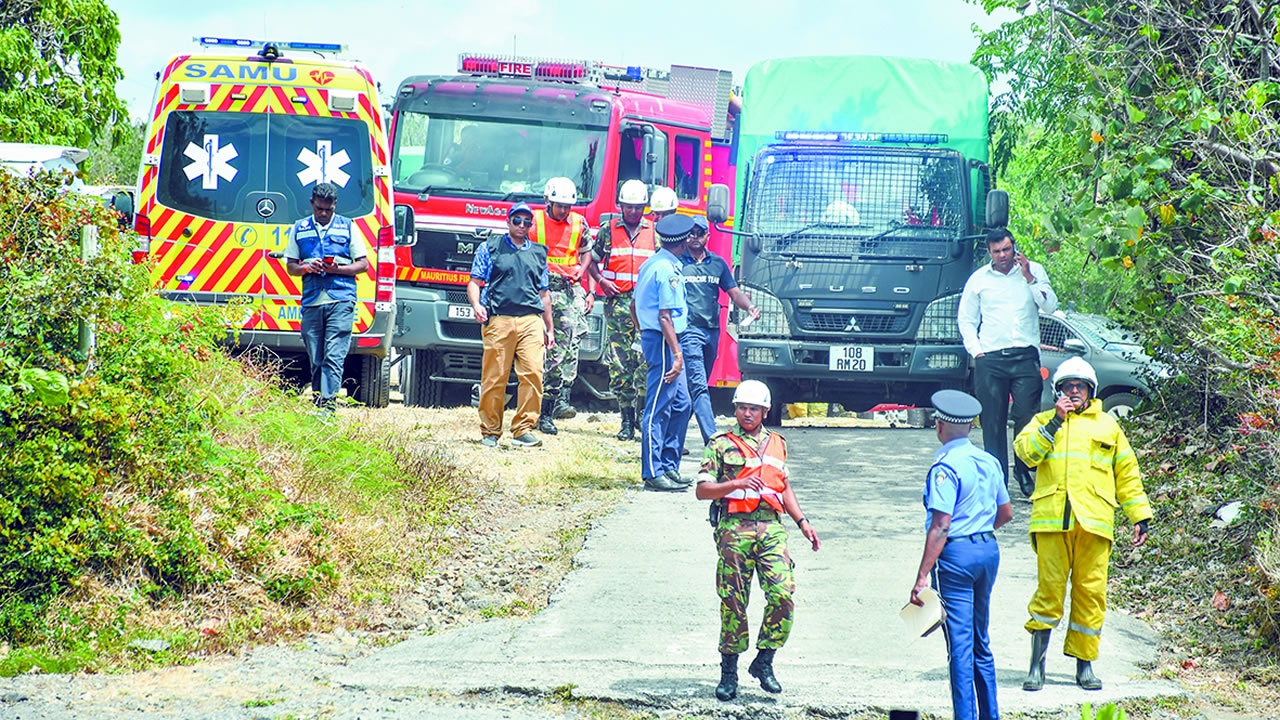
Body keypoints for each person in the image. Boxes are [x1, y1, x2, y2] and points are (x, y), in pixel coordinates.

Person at [1013, 357, 1152, 691]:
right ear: (1057, 391)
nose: (1073, 391)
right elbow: (1024, 454)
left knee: (1091, 594)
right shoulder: (1043, 421)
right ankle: (1036, 667)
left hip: (1094, 524)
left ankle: (1084, 666)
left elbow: (1127, 474)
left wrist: (1140, 515)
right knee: (1049, 593)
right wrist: (1054, 425)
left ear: (1091, 390)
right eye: (1067, 387)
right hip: (1051, 523)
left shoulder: (1108, 426)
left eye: (1080, 386)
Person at [696, 379, 820, 701]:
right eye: (741, 407)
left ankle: (764, 661)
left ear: (765, 411)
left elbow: (784, 486)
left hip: (771, 527)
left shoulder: (777, 443)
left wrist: (802, 521)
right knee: (734, 601)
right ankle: (728, 671)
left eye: (753, 408)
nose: (747, 413)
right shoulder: (720, 443)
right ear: (735, 408)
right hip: (734, 528)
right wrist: (735, 483)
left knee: (783, 595)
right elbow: (702, 490)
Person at [909, 390, 1013, 720]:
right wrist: (980, 531)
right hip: (987, 550)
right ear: (971, 427)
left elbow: (941, 525)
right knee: (981, 639)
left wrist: (922, 575)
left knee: (960, 645)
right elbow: (1006, 513)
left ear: (939, 427)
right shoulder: (989, 460)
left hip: (956, 556)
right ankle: (989, 715)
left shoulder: (944, 466)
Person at [957, 228, 1058, 491]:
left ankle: (1023, 471)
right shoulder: (979, 279)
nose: (1002, 255)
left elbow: (1050, 306)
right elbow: (966, 319)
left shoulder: (1034, 271)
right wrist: (976, 351)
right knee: (992, 422)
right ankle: (997, 480)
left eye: (1006, 249)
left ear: (1014, 247)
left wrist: (1029, 278)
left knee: (1026, 417)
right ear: (989, 253)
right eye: (996, 251)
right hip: (991, 358)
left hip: (1025, 357)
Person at [467, 203, 556, 448]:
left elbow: (544, 293)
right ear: (508, 221)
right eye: (517, 220)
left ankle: (524, 429)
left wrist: (550, 329)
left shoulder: (539, 253)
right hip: (499, 318)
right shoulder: (491, 247)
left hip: (531, 320)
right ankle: (490, 431)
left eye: (527, 222)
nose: (522, 226)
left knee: (534, 374)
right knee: (495, 377)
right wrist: (476, 305)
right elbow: (475, 281)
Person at [284, 182, 369, 414]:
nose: (323, 214)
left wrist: (337, 270)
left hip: (341, 298)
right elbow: (291, 267)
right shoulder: (299, 229)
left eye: (328, 210)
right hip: (312, 300)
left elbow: (363, 264)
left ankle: (328, 406)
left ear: (335, 206)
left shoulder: (348, 227)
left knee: (334, 353)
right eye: (319, 209)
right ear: (311, 204)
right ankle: (319, 400)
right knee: (317, 356)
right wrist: (307, 267)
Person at [680, 215, 760, 446]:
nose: (695, 238)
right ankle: (713, 440)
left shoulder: (718, 263)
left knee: (694, 388)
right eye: (691, 233)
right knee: (699, 387)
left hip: (711, 332)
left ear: (708, 236)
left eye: (700, 233)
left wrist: (750, 307)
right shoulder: (678, 262)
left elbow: (734, 292)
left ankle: (674, 440)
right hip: (688, 332)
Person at [584, 179, 653, 441]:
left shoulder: (654, 232)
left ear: (644, 207)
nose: (633, 212)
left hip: (647, 309)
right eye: (629, 207)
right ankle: (625, 420)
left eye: (638, 207)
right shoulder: (607, 231)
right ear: (621, 206)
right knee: (620, 364)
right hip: (618, 306)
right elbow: (591, 260)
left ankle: (643, 418)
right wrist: (601, 281)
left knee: (646, 362)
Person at [631, 213, 694, 491]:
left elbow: (634, 305)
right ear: (682, 243)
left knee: (681, 405)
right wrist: (677, 355)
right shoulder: (667, 271)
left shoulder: (651, 264)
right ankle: (653, 472)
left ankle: (669, 464)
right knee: (657, 407)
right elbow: (665, 317)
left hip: (657, 338)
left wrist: (641, 331)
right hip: (666, 341)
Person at [530, 177, 592, 434]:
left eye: (567, 206)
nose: (564, 210)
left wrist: (582, 271)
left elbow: (587, 251)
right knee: (530, 350)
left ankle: (547, 411)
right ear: (548, 201)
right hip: (538, 291)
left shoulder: (579, 223)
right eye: (559, 206)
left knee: (562, 352)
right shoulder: (532, 221)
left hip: (566, 292)